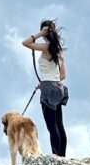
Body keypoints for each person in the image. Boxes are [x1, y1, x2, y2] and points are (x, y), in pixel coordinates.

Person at [22, 20, 68, 157]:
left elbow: (25, 43)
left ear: (45, 32)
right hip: (59, 88)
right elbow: (63, 75)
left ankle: (56, 157)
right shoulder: (58, 50)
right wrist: (45, 82)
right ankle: (62, 157)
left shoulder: (46, 47)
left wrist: (38, 34)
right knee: (59, 125)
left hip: (49, 89)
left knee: (52, 127)